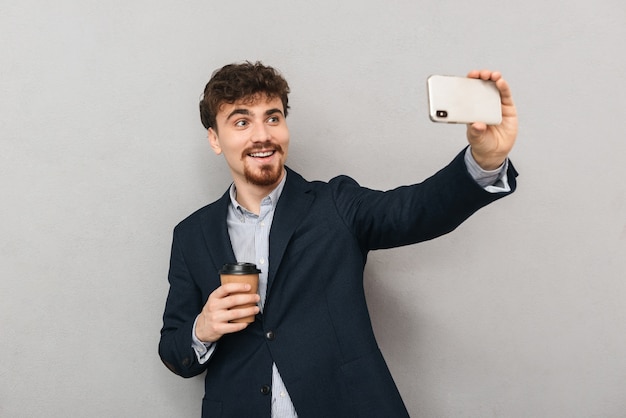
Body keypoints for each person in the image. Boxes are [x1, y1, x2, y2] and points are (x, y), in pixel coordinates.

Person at [159, 61, 518, 417]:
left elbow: (415, 210)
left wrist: (485, 160)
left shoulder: (336, 204)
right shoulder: (191, 235)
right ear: (214, 139)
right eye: (241, 122)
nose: (262, 135)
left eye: (273, 117)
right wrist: (202, 328)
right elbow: (174, 351)